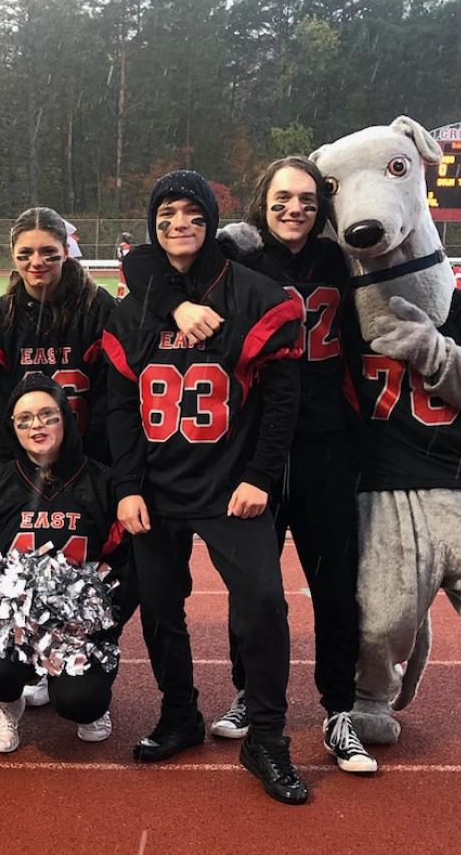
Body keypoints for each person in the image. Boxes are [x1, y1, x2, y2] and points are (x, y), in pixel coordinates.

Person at [152, 158, 376, 774]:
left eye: (306, 198)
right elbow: (148, 265)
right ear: (262, 201)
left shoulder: (339, 260)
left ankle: (338, 710)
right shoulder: (236, 254)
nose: (294, 209)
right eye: (282, 197)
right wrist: (175, 308)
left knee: (334, 584)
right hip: (252, 447)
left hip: (325, 443)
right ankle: (251, 692)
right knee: (252, 588)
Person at [105, 169, 311, 805]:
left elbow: (282, 403)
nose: (178, 225)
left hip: (230, 488)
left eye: (192, 213)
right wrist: (127, 485)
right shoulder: (134, 301)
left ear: (211, 219)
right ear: (151, 224)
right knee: (162, 610)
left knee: (263, 605)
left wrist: (258, 478)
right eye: (166, 215)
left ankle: (268, 737)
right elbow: (118, 405)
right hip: (157, 490)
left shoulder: (253, 294)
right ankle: (180, 713)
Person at [0, 374, 135, 753]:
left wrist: (99, 623)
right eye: (24, 419)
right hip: (16, 629)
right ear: (12, 428)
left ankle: (81, 693)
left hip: (79, 632)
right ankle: (7, 704)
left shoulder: (105, 486)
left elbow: (127, 569)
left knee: (81, 702)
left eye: (48, 415)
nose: (36, 425)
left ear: (66, 419)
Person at [0, 209, 115, 466]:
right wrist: (12, 466)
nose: (36, 262)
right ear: (12, 254)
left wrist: (92, 469)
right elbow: (0, 408)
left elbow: (109, 402)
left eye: (47, 251)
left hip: (90, 459)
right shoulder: (2, 315)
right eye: (26, 253)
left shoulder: (97, 308)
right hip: (24, 461)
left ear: (65, 249)